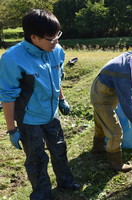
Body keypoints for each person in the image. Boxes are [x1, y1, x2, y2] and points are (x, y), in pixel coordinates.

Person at [0, 9, 79, 200]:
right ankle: (42, 193)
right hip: (30, 119)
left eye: (57, 36)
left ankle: (65, 181)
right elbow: (7, 97)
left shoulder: (56, 51)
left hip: (51, 114)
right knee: (36, 158)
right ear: (33, 37)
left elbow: (58, 77)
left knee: (59, 149)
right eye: (51, 38)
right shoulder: (12, 59)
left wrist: (61, 99)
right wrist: (12, 130)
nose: (56, 42)